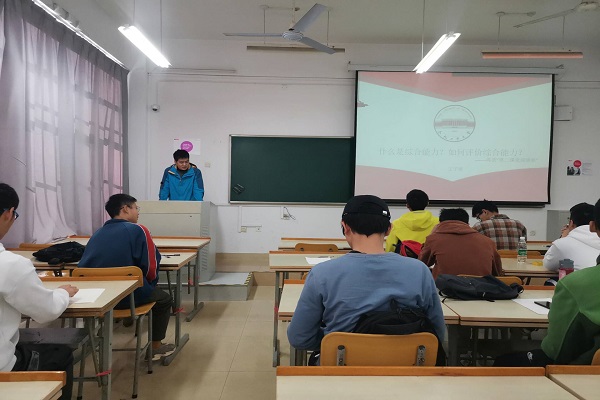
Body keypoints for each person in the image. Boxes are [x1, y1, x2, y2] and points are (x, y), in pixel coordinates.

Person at [287, 195, 445, 353]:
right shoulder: (420, 271)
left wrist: (332, 341)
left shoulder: (321, 273)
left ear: (345, 227)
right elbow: (437, 333)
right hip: (407, 366)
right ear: (389, 229)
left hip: (341, 364)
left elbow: (299, 337)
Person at [495, 198, 600, 367]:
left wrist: (562, 238)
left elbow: (555, 350)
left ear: (593, 226)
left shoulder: (574, 284)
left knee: (503, 362)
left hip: (581, 373)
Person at [0, 183, 78, 400]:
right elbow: (47, 312)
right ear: (8, 214)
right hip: (3, 369)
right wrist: (62, 293)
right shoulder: (11, 265)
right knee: (61, 355)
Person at [79, 194, 174, 360]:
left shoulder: (97, 233)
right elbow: (151, 266)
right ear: (125, 209)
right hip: (128, 296)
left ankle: (121, 322)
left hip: (98, 298)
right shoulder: (138, 230)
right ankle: (155, 347)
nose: (138, 212)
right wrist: (150, 284)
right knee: (164, 299)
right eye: (136, 208)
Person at [419, 208, 503, 279]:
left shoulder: (433, 240)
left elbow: (421, 264)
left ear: (439, 224)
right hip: (481, 290)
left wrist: (432, 234)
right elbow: (497, 272)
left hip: (445, 290)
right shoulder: (488, 242)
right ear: (467, 224)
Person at [543, 202, 600, 272]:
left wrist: (563, 238)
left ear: (571, 223)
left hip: (580, 279)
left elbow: (548, 264)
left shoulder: (562, 244)